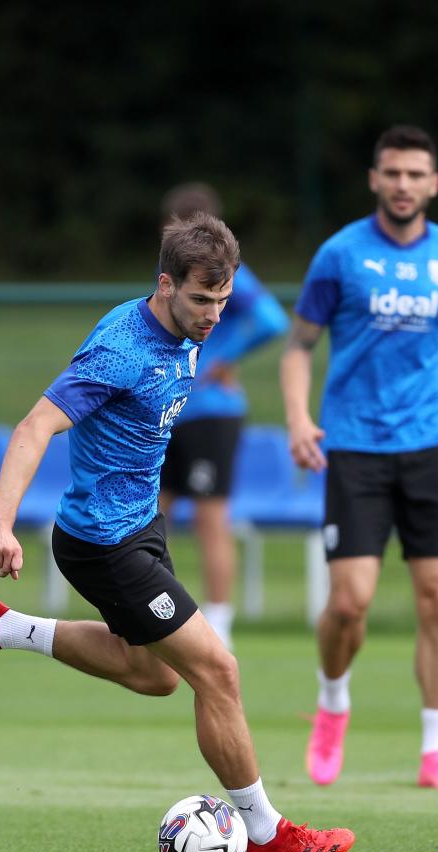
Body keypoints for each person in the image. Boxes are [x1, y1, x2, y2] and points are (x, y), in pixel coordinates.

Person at [0, 212, 355, 852]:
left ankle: (0, 627)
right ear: (164, 285)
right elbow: (34, 426)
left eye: (222, 300)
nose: (214, 316)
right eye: (201, 301)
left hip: (139, 530)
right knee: (218, 671)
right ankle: (269, 834)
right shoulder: (119, 350)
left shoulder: (189, 329)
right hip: (103, 543)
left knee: (155, 678)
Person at [280, 125, 438, 790]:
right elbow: (298, 346)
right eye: (392, 173)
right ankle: (331, 704)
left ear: (434, 183)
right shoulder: (340, 255)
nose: (403, 184)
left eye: (416, 174)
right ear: (374, 179)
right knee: (349, 603)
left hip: (431, 444)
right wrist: (299, 418)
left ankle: (436, 752)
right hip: (352, 446)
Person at [157, 183, 289, 650]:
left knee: (211, 519)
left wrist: (219, 360)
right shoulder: (172, 279)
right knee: (152, 517)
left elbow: (273, 319)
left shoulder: (221, 271)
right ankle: (152, 615)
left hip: (211, 417)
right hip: (168, 414)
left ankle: (219, 628)